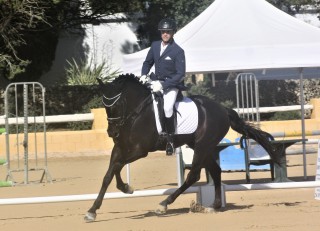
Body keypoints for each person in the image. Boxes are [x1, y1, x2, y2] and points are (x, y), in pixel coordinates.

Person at [139, 18, 186, 155]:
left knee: (167, 107)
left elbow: (180, 74)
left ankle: (170, 139)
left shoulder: (177, 51)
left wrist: (163, 85)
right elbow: (147, 62)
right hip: (154, 82)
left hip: (171, 85)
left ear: (173, 33)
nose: (165, 34)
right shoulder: (154, 46)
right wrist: (143, 75)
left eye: (168, 32)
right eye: (163, 31)